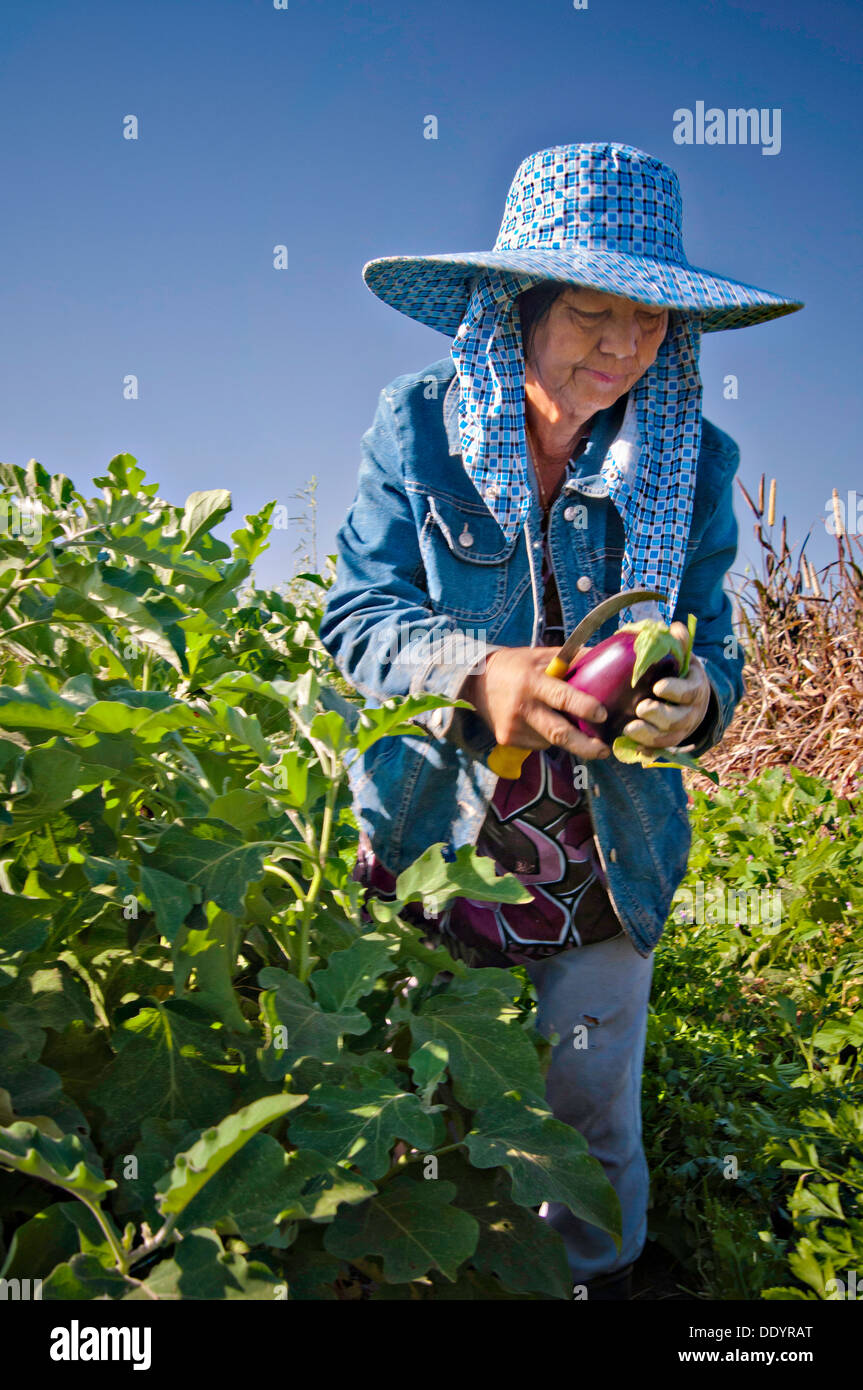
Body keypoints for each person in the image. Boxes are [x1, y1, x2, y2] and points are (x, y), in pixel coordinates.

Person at [319, 141, 803, 1299]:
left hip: (602, 857)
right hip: (436, 841)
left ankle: (599, 1280)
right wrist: (482, 673)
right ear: (518, 305)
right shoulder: (419, 430)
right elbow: (357, 619)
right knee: (425, 1107)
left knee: (589, 1126)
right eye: (592, 311)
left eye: (648, 320)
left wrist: (699, 702)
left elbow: (714, 644)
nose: (624, 345)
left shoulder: (691, 463)